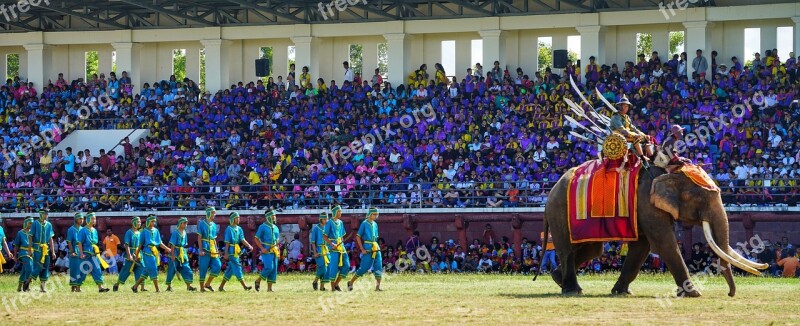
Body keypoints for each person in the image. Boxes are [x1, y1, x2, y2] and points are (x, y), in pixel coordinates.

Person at [347, 208, 383, 291]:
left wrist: (378, 246)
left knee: (379, 267)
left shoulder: (375, 224)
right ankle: (351, 282)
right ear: (370, 214)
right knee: (364, 268)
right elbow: (358, 236)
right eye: (375, 214)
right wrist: (362, 248)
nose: (376, 216)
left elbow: (376, 237)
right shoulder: (364, 223)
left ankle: (377, 287)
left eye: (377, 214)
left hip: (375, 247)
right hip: (367, 247)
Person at [133, 214, 171, 292]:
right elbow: (140, 245)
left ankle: (135, 286)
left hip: (154, 252)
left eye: (154, 221)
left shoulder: (156, 230)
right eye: (152, 221)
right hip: (147, 252)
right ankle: (157, 289)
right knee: (153, 269)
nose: (154, 223)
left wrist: (167, 249)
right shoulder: (144, 231)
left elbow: (160, 242)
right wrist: (137, 255)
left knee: (146, 270)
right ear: (148, 221)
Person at [218, 212, 253, 291]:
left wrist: (249, 246)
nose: (238, 219)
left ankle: (221, 287)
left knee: (230, 270)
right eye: (237, 218)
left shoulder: (239, 228)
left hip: (236, 250)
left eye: (239, 217)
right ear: (232, 219)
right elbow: (227, 243)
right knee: (237, 267)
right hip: (231, 251)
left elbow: (242, 239)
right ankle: (244, 286)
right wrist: (226, 253)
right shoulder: (228, 229)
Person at [77, 212, 111, 292]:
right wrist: (81, 253)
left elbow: (95, 242)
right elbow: (79, 243)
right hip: (85, 253)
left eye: (94, 218)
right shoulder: (83, 230)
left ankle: (100, 287)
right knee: (83, 270)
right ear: (88, 219)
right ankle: (78, 287)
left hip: (94, 253)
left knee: (97, 269)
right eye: (92, 218)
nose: (93, 220)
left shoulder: (95, 230)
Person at [609, 95, 650, 160]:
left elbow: (633, 128)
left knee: (645, 138)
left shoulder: (627, 117)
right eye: (624, 106)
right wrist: (635, 135)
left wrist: (644, 135)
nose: (626, 108)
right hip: (618, 136)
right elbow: (622, 130)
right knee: (635, 138)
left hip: (627, 135)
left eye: (627, 106)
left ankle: (651, 156)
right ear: (620, 106)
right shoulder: (616, 117)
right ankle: (642, 157)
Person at [113, 216, 145, 292]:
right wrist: (129, 255)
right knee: (125, 271)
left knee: (141, 269)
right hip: (130, 254)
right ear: (133, 222)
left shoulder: (140, 233)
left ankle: (138, 287)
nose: (139, 223)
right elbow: (126, 244)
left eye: (140, 222)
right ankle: (117, 284)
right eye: (138, 222)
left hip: (139, 254)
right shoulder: (129, 232)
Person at [166, 217, 197, 292]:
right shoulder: (175, 232)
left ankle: (189, 286)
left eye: (186, 223)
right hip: (175, 252)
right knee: (172, 269)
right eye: (184, 223)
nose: (186, 224)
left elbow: (184, 244)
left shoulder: (185, 232)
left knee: (186, 269)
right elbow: (172, 244)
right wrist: (173, 255)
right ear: (180, 224)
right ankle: (169, 286)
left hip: (182, 253)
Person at [324, 205, 350, 291]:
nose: (340, 213)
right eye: (339, 211)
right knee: (334, 266)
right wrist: (332, 244)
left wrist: (342, 245)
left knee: (346, 265)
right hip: (333, 247)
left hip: (341, 247)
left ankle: (336, 284)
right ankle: (332, 287)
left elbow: (342, 236)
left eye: (341, 211)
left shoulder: (341, 222)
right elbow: (324, 236)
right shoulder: (329, 223)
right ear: (335, 212)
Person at [30, 208, 56, 293]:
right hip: (37, 248)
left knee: (45, 267)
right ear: (41, 214)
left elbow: (50, 239)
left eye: (47, 214)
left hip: (46, 249)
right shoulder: (35, 224)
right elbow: (31, 237)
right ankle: (29, 280)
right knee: (39, 266)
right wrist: (30, 249)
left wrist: (53, 251)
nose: (46, 215)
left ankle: (42, 287)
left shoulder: (49, 225)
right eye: (45, 214)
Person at [254, 210, 280, 292]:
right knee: (269, 267)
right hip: (266, 249)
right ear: (268, 216)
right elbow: (256, 238)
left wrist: (278, 250)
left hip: (274, 250)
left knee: (274, 268)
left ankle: (269, 288)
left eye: (275, 215)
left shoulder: (276, 227)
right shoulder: (262, 227)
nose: (274, 217)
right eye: (273, 215)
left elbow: (277, 239)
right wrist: (262, 248)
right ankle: (258, 280)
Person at [198, 206, 222, 292]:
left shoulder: (214, 225)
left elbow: (214, 239)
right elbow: (199, 238)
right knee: (203, 268)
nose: (214, 215)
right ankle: (201, 288)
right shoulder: (201, 223)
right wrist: (200, 250)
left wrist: (216, 249)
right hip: (204, 247)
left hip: (212, 248)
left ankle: (207, 284)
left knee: (218, 265)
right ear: (208, 213)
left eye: (214, 213)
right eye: (212, 213)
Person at [13, 217, 34, 292]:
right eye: (30, 223)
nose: (31, 224)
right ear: (26, 223)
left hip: (32, 253)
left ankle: (19, 287)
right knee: (30, 268)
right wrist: (15, 256)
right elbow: (16, 245)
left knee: (24, 270)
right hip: (23, 253)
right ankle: (27, 286)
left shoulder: (33, 232)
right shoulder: (20, 233)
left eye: (32, 223)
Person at [310, 212, 330, 291]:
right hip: (318, 249)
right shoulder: (316, 228)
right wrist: (315, 252)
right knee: (322, 268)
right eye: (324, 219)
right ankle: (315, 281)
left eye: (326, 219)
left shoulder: (327, 228)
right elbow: (313, 241)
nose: (326, 220)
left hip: (326, 249)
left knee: (327, 268)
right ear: (321, 219)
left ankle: (322, 287)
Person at [66, 213, 84, 292]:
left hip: (81, 252)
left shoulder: (83, 229)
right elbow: (69, 242)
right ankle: (75, 287)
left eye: (82, 219)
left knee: (81, 270)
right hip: (74, 252)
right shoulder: (71, 229)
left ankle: (77, 286)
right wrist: (72, 251)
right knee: (75, 270)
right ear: (76, 219)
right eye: (80, 219)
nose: (81, 220)